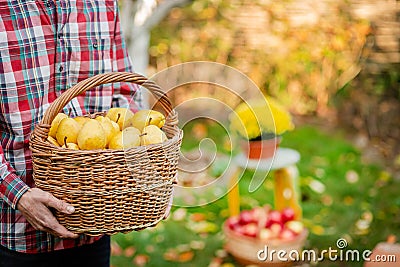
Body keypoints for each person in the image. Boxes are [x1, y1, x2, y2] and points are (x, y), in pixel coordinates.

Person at [0, 1, 159, 266]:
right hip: (17, 230)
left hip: (94, 228)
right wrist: (18, 194)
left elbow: (125, 94)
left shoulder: (101, 3)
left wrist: (147, 172)